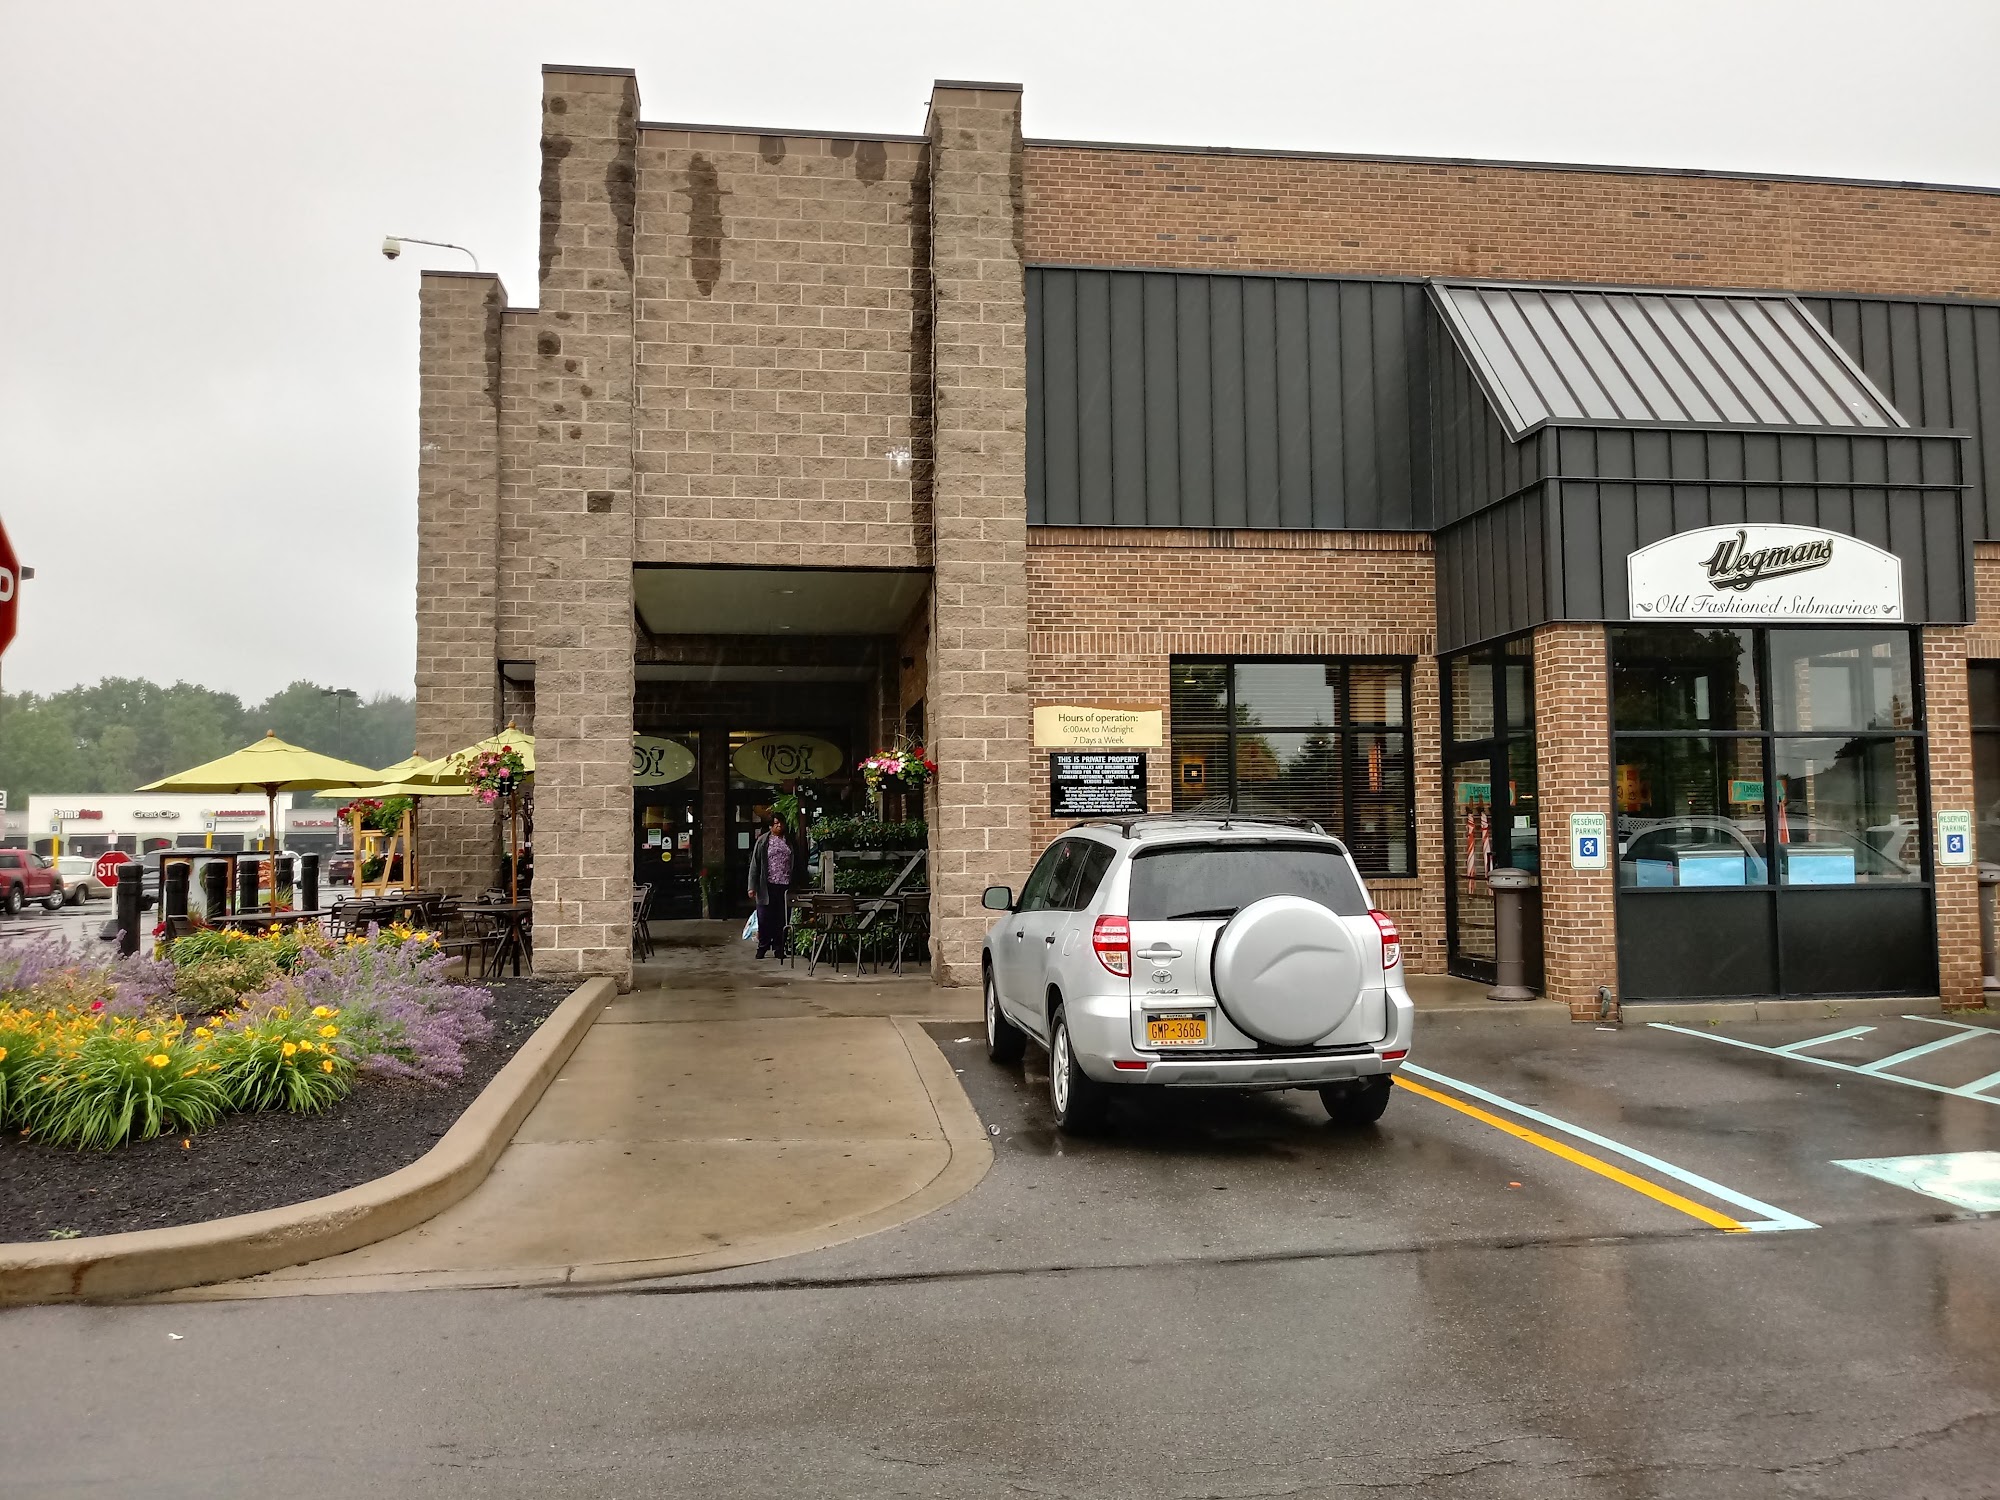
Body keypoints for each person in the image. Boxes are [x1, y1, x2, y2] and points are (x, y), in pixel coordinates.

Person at [748, 814, 795, 960]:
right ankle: (762, 946)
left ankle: (779, 948)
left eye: (781, 823)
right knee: (764, 918)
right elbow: (755, 865)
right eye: (776, 823)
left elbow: (797, 862)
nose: (779, 826)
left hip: (784, 885)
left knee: (782, 918)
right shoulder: (763, 841)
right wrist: (752, 886)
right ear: (770, 826)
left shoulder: (789, 841)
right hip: (766, 886)